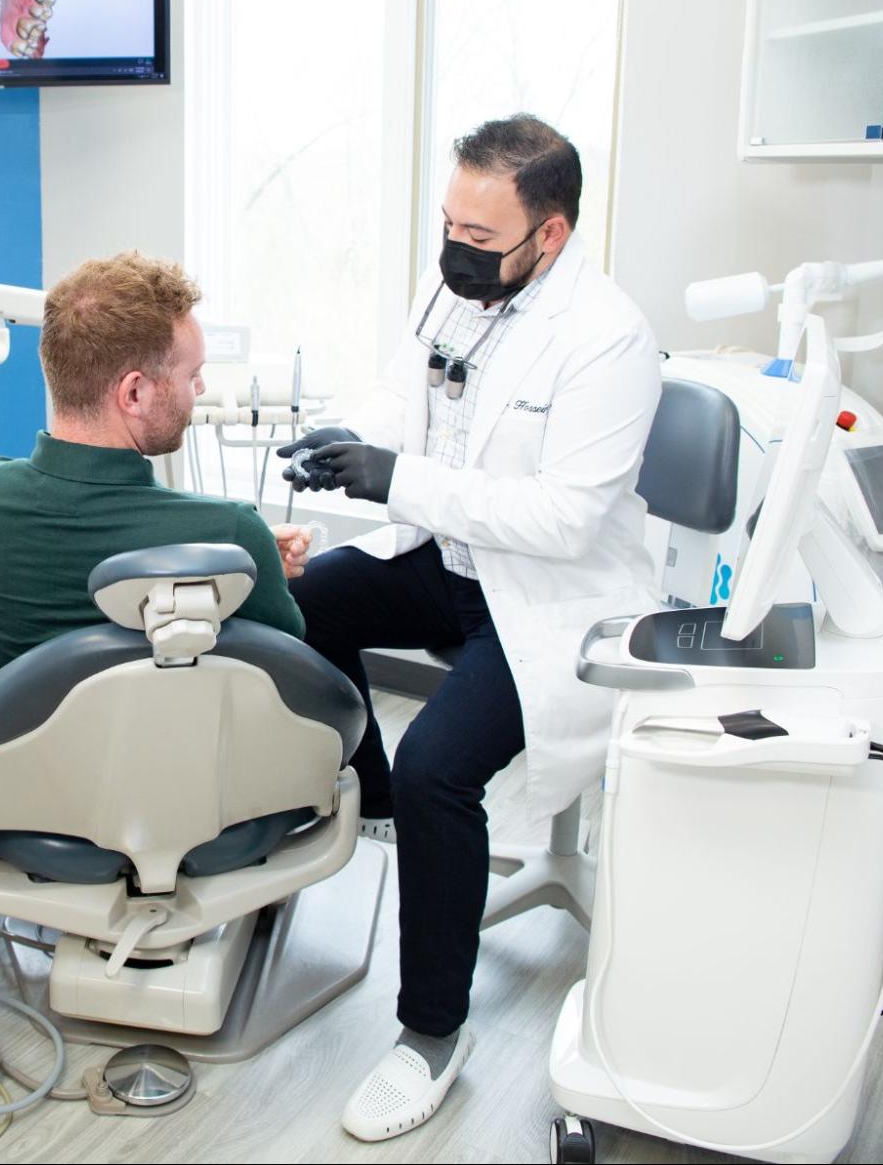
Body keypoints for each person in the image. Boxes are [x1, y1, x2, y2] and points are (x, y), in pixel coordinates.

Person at [277, 115, 661, 1142]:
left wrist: (400, 478)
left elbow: (562, 517)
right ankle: (378, 797)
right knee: (297, 603)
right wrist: (352, 441)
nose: (454, 251)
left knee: (443, 761)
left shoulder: (610, 340)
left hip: (548, 596)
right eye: (447, 223)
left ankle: (432, 1033)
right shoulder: (459, 283)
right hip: (445, 561)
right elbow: (406, 398)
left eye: (479, 238)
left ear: (552, 234)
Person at [0, 251, 317, 674]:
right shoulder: (234, 531)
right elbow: (285, 656)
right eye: (191, 373)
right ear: (134, 394)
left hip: (20, 736)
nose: (200, 386)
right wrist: (249, 560)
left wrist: (233, 557)